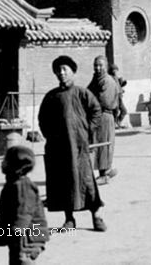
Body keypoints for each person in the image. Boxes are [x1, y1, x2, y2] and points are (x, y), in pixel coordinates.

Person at [38, 55, 106, 231]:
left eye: (65, 70)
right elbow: (42, 119)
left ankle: (96, 216)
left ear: (73, 72)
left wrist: (87, 131)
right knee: (63, 182)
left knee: (86, 181)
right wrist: (51, 137)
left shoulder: (82, 93)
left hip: (79, 147)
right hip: (58, 148)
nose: (61, 73)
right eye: (58, 70)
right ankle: (69, 219)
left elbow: (96, 111)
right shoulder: (51, 97)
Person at [0, 145, 49, 264]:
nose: (2, 163)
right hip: (19, 237)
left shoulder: (22, 186)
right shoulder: (13, 183)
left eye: (5, 161)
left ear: (14, 166)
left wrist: (17, 232)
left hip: (26, 237)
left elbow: (24, 212)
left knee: (22, 261)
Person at [88, 56, 120, 185]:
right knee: (97, 143)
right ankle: (106, 169)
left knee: (103, 144)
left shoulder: (107, 81)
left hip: (104, 115)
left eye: (100, 65)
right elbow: (87, 92)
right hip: (97, 116)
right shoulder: (96, 79)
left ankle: (104, 173)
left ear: (106, 66)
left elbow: (103, 100)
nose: (98, 68)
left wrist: (89, 103)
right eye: (96, 65)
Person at [108, 63, 128, 129]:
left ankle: (118, 122)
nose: (115, 71)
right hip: (114, 97)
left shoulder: (116, 78)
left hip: (119, 96)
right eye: (114, 70)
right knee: (115, 111)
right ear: (111, 71)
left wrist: (122, 85)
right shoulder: (109, 78)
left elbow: (118, 86)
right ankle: (114, 124)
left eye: (116, 70)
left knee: (124, 111)